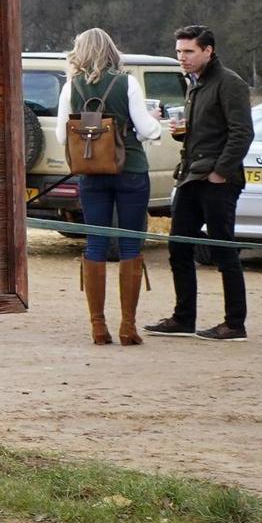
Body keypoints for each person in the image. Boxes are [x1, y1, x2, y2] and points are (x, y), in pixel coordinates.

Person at [55, 28, 167, 345]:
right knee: (130, 245)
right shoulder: (126, 82)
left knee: (95, 244)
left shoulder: (70, 88)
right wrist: (152, 122)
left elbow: (64, 137)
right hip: (130, 169)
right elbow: (147, 129)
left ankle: (98, 327)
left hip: (91, 173)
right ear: (111, 51)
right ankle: (128, 327)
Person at [146, 23, 256, 341]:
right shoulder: (194, 83)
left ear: (208, 50)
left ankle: (235, 324)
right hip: (191, 176)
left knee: (223, 251)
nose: (182, 57)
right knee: (178, 247)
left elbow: (242, 133)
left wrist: (220, 172)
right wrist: (184, 133)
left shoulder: (230, 83)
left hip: (218, 180)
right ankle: (184, 318)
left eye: (189, 51)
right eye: (179, 51)